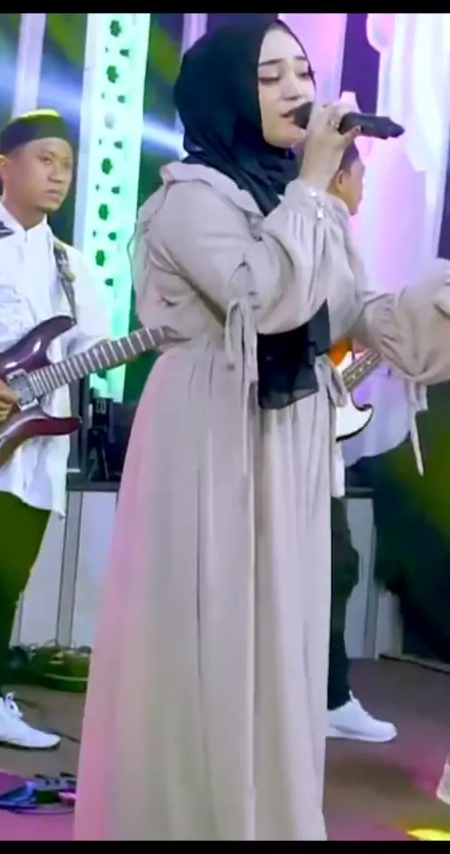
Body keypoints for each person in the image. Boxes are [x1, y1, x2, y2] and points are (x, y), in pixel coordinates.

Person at [75, 19, 450, 841]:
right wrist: (314, 187)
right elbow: (264, 296)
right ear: (225, 93)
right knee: (207, 637)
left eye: (303, 72)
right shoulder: (189, 200)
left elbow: (352, 312)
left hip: (291, 441)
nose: (297, 91)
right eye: (271, 75)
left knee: (279, 641)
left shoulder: (300, 201)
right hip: (210, 433)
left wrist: (433, 307)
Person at [0, 109, 109, 749]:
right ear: (6, 165)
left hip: (33, 453)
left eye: (68, 166)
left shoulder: (71, 265)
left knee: (4, 585)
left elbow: (93, 348)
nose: (59, 176)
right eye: (45, 160)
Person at [326, 144, 397, 743]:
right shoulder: (319, 236)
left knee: (337, 565)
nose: (364, 188)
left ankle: (328, 692)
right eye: (360, 175)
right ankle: (328, 696)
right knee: (334, 565)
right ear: (339, 175)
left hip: (316, 440)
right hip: (293, 436)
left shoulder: (334, 238)